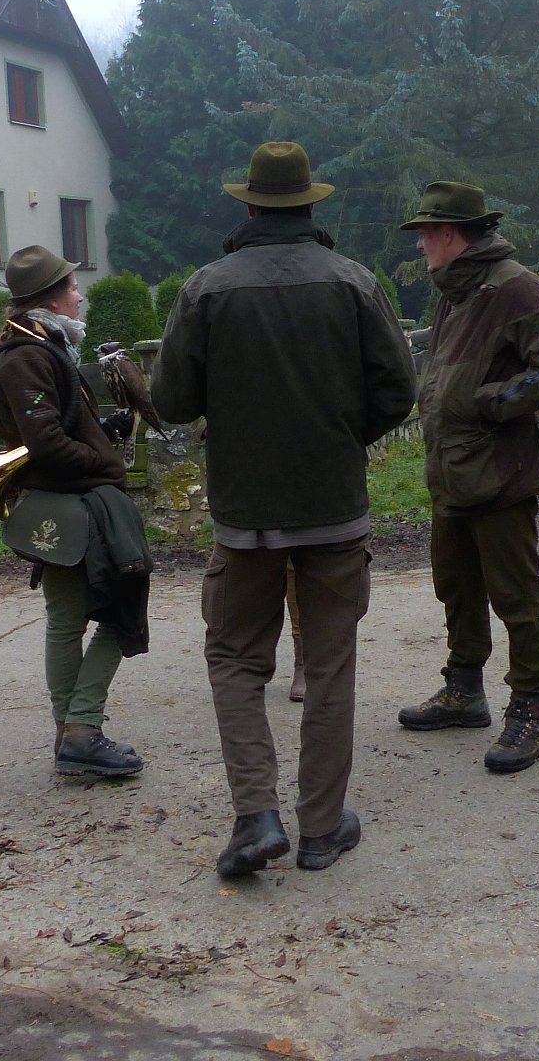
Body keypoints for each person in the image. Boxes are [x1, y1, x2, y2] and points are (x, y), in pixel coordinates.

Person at [152, 141, 416, 878]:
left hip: (246, 515)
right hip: (334, 507)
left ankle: (256, 816)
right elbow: (399, 391)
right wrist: (341, 437)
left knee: (236, 657)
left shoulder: (206, 289)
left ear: (248, 207)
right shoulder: (354, 282)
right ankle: (322, 828)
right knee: (330, 666)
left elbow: (172, 401)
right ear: (309, 204)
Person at [395, 181, 539, 773]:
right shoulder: (456, 292)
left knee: (516, 596)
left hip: (501, 473)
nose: (420, 244)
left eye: (425, 233)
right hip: (452, 470)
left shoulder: (514, 287)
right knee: (457, 585)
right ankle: (464, 691)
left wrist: (491, 404)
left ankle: (529, 712)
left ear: (450, 233)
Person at [0, 245, 147, 779]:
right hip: (72, 504)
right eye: (72, 286)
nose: (80, 294)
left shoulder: (45, 346)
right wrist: (105, 461)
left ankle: (74, 734)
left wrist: (104, 431)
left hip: (69, 501)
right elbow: (47, 442)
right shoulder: (26, 356)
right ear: (51, 298)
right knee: (115, 614)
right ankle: (80, 730)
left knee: (70, 620)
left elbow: (59, 426)